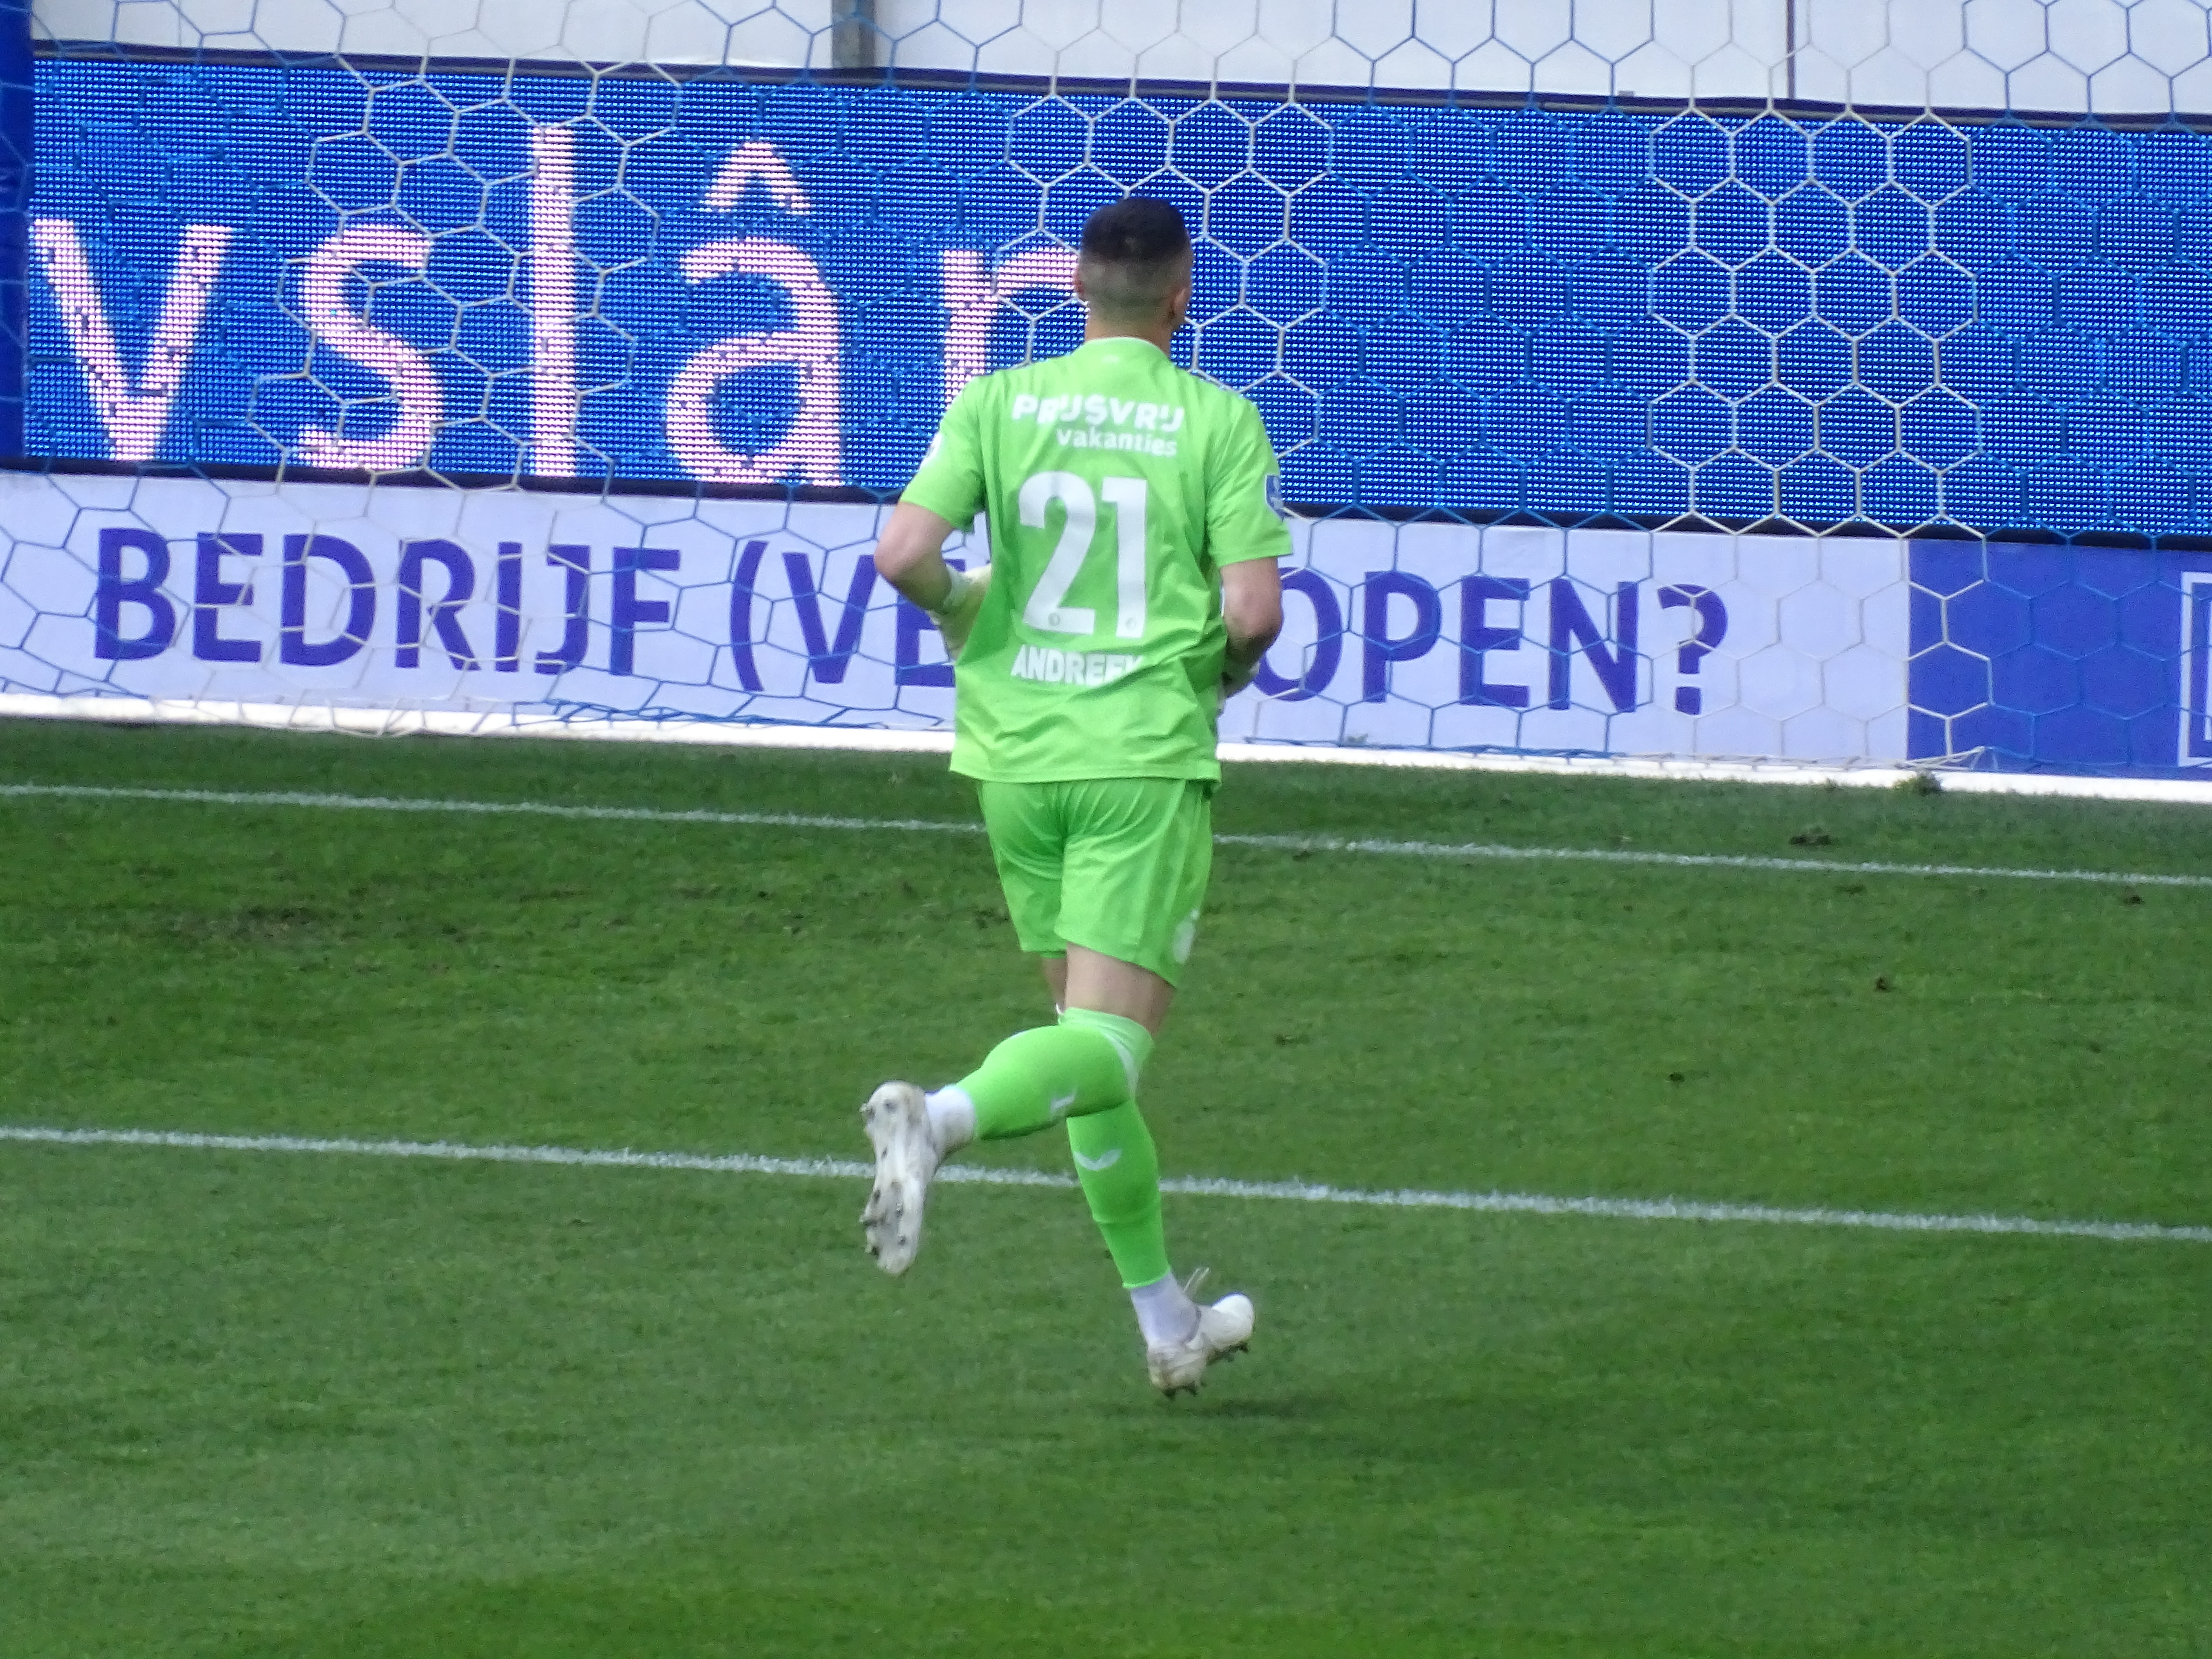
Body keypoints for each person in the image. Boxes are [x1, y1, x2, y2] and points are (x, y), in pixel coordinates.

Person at [860, 196, 1288, 1396]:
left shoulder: (997, 401)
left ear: (1077, 293)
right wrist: (1220, 671)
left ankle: (1166, 1324)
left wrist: (963, 611)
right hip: (1139, 759)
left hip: (1012, 761)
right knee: (1106, 1045)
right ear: (1181, 295)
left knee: (1081, 1053)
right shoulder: (1216, 418)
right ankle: (935, 1121)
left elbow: (902, 554)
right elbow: (1254, 613)